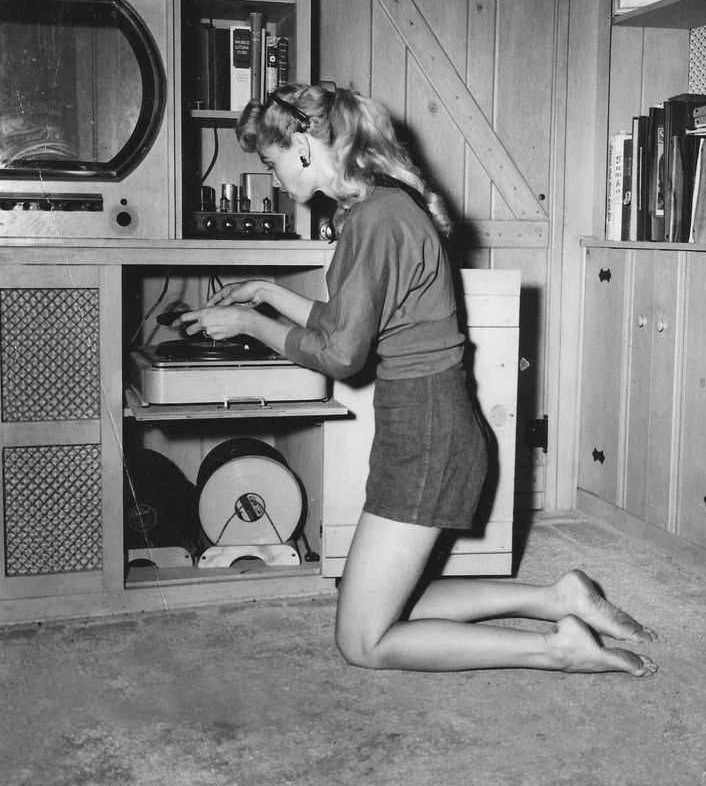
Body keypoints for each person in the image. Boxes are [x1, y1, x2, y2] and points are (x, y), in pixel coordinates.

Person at [175, 84, 658, 677]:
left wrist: (250, 320)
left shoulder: (373, 220)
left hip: (427, 435)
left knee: (362, 642)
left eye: (270, 161)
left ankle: (556, 648)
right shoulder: (383, 205)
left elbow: (341, 354)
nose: (272, 177)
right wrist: (269, 294)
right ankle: (557, 599)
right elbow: (350, 324)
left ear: (302, 144)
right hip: (430, 424)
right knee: (374, 599)